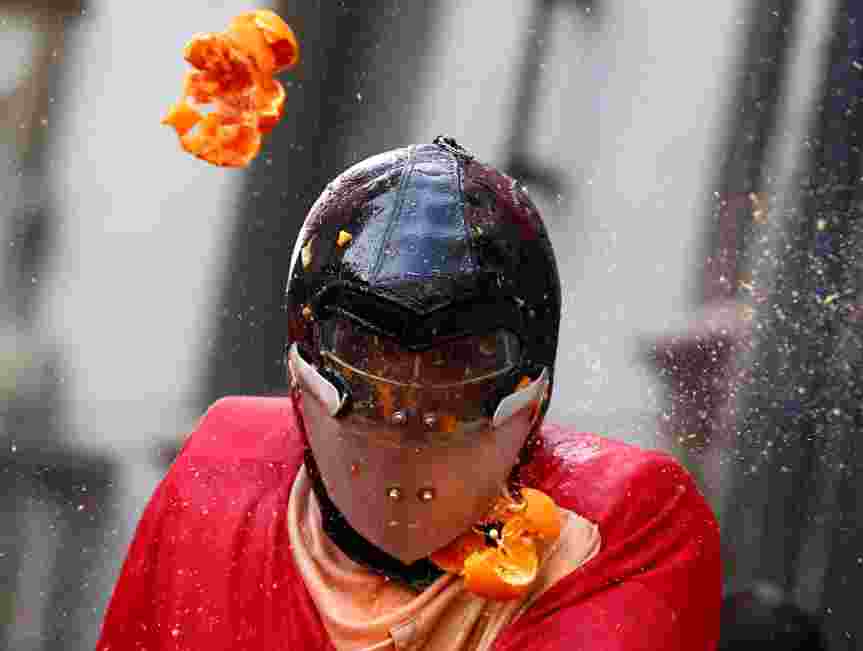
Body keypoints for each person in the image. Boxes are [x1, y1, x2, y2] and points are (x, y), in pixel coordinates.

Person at [95, 137, 721, 650]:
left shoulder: (624, 526)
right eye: (371, 357)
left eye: (458, 364)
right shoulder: (221, 481)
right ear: (304, 360)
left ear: (529, 384)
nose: (411, 409)